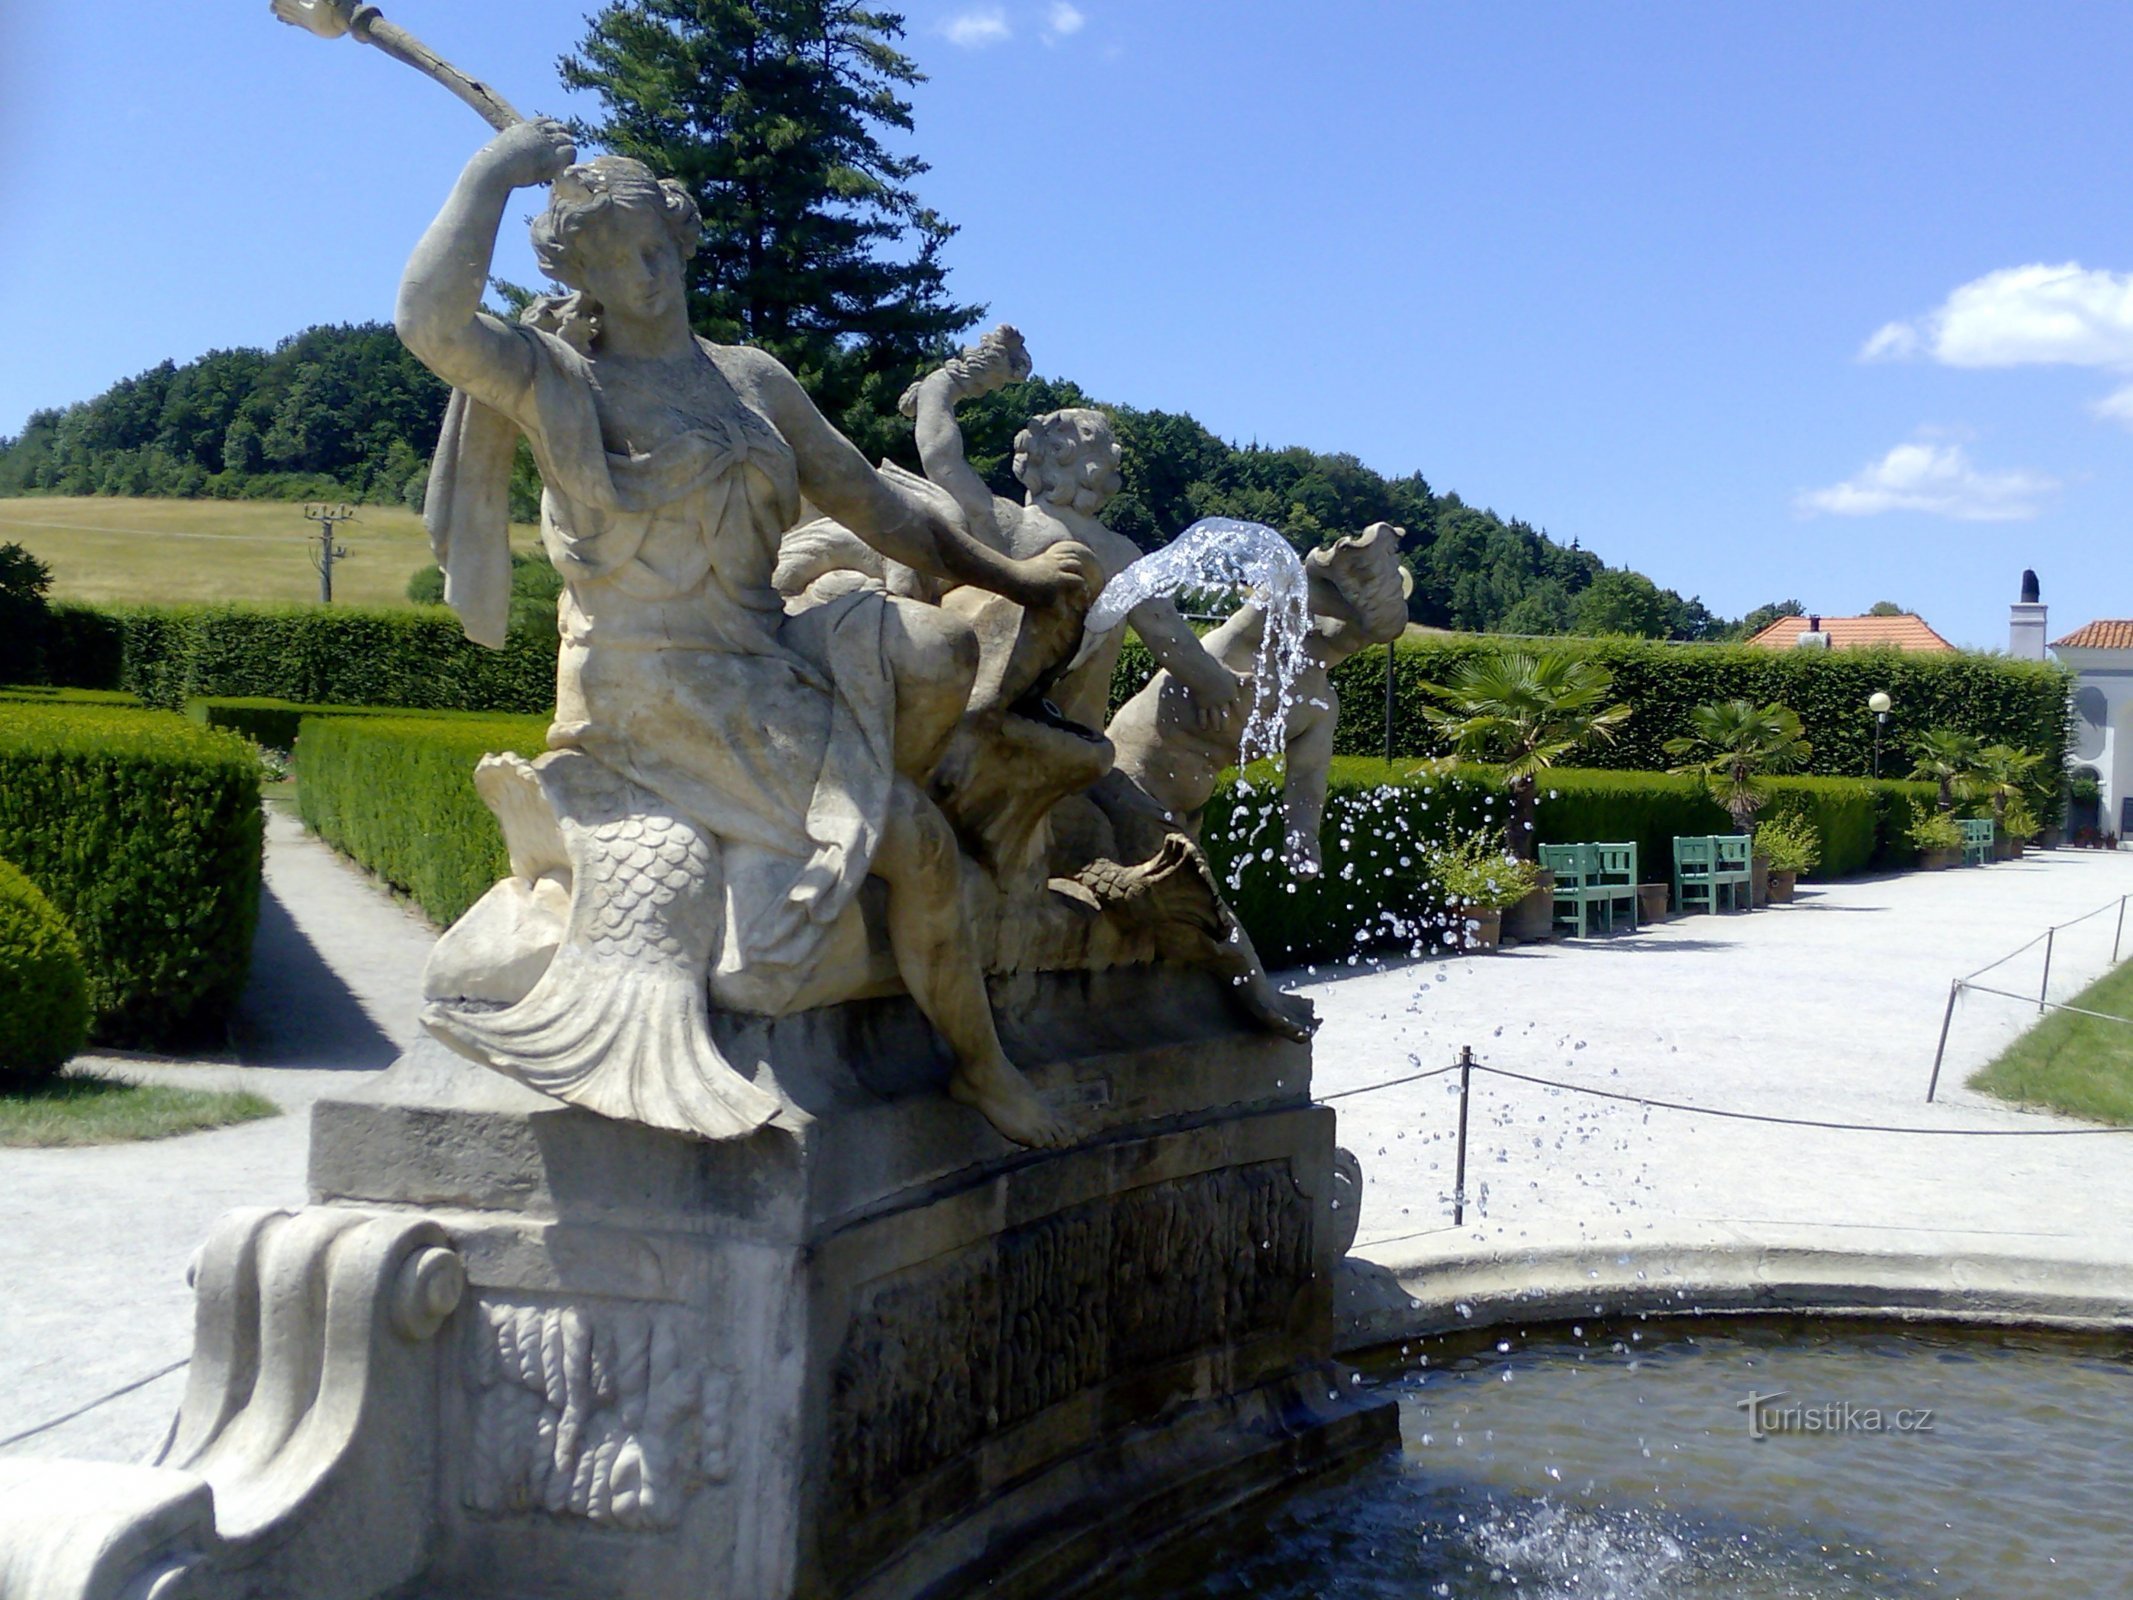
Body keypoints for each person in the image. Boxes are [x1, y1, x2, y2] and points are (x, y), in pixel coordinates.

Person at [397, 117, 1095, 1149]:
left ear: (680, 238)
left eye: (650, 245)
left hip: (759, 657)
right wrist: (493, 176)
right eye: (607, 257)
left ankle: (939, 996)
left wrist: (1016, 577)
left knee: (936, 654)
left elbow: (880, 509)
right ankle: (979, 1059)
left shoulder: (752, 379)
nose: (640, 273)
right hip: (644, 690)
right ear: (576, 268)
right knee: (912, 840)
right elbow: (431, 321)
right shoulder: (559, 380)